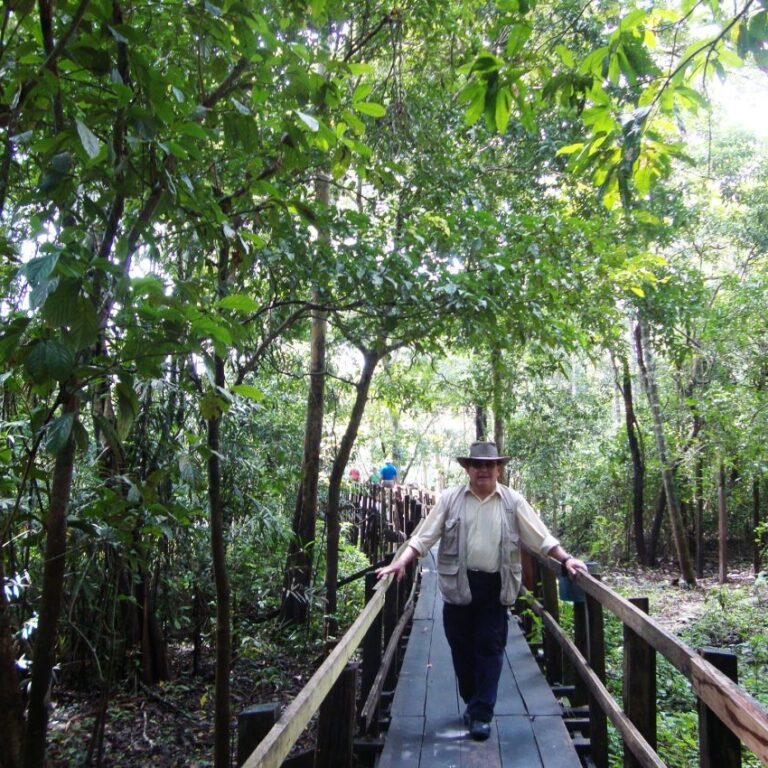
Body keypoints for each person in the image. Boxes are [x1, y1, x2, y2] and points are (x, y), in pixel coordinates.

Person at [376, 441, 588, 741]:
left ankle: (481, 714)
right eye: (477, 465)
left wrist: (566, 559)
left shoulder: (512, 502)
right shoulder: (451, 499)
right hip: (457, 585)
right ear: (468, 469)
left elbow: (541, 538)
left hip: (495, 586)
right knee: (461, 650)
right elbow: (423, 537)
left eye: (489, 465)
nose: (483, 470)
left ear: (498, 468)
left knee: (490, 648)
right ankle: (473, 699)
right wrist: (401, 563)